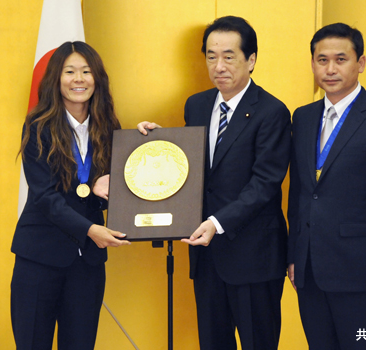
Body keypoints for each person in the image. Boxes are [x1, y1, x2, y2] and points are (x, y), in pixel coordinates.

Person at [138, 16, 291, 350]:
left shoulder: (271, 111)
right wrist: (155, 142)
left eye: (229, 56)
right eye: (211, 56)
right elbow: (189, 165)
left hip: (253, 255)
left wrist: (217, 223)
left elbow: (265, 183)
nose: (218, 65)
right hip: (206, 257)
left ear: (251, 60)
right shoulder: (197, 104)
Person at [287, 23, 366, 349]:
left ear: (361, 63)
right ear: (313, 63)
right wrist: (294, 253)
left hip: (363, 273)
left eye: (340, 59)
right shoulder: (302, 117)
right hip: (310, 269)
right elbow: (300, 191)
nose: (330, 69)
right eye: (321, 59)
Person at [11, 41, 131, 350]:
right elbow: (45, 197)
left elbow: (115, 185)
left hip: (87, 265)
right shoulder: (37, 127)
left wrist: (146, 140)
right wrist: (91, 230)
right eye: (70, 71)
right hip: (39, 257)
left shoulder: (109, 128)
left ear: (97, 79)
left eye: (86, 71)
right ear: (56, 78)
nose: (79, 79)